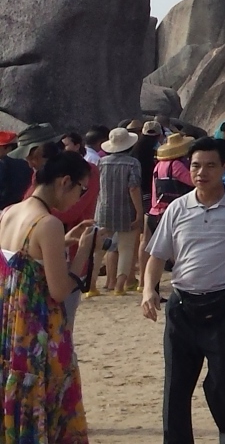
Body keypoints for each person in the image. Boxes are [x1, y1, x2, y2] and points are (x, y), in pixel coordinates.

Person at [142, 137, 225, 444]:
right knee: (176, 388)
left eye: (210, 165)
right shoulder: (178, 207)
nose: (201, 172)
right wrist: (148, 290)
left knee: (222, 385)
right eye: (195, 165)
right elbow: (157, 255)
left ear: (224, 167)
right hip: (181, 307)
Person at [0, 149, 93, 441]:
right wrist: (86, 251)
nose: (81, 197)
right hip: (38, 330)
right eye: (82, 189)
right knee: (49, 402)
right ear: (65, 182)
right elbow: (60, 289)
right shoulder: (48, 223)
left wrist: (63, 241)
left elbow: (22, 261)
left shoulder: (9, 212)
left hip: (10, 327)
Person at [90, 124, 145, 296]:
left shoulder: (101, 162)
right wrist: (139, 212)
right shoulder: (132, 163)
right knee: (126, 248)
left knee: (98, 249)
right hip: (125, 209)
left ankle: (91, 286)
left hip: (103, 209)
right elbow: (133, 188)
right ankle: (120, 286)